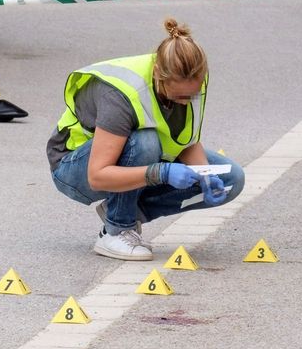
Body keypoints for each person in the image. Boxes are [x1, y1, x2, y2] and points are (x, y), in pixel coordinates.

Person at [47, 19, 245, 261]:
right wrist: (161, 173)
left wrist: (204, 174)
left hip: (132, 157)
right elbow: (97, 176)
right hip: (74, 167)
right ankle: (116, 230)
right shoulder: (122, 94)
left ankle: (123, 210)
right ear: (158, 76)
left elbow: (186, 140)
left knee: (230, 179)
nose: (187, 100)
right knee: (146, 141)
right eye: (181, 95)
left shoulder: (191, 81)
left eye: (192, 94)